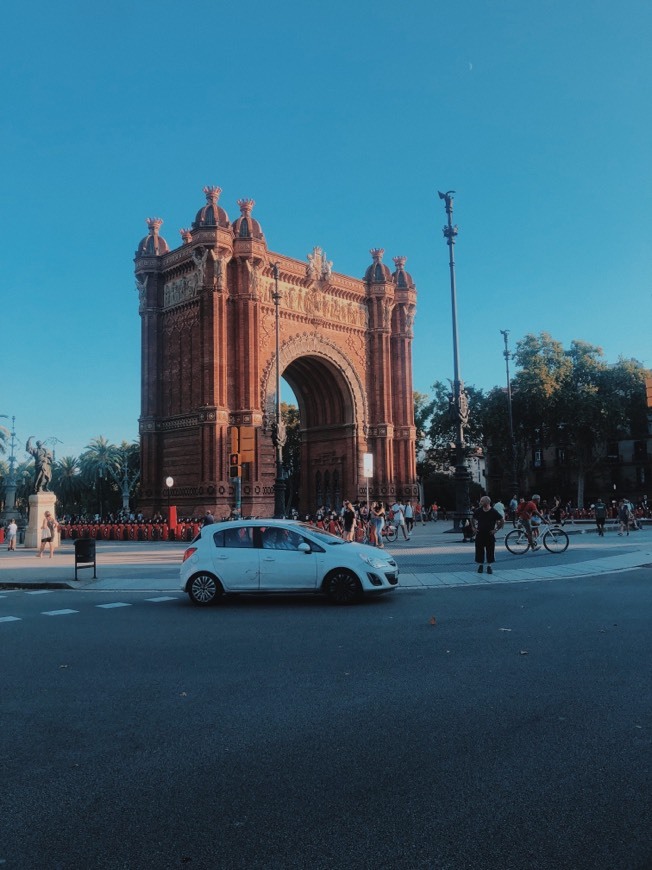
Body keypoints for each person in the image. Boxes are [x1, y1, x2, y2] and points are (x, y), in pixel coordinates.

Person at [472, 496, 504, 574]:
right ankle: (480, 565)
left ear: (487, 502)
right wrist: (473, 528)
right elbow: (472, 518)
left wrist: (496, 530)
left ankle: (489, 566)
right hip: (480, 534)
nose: (480, 503)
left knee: (490, 550)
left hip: (489, 534)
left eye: (482, 501)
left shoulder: (493, 511)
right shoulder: (478, 510)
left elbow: (502, 520)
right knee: (479, 550)